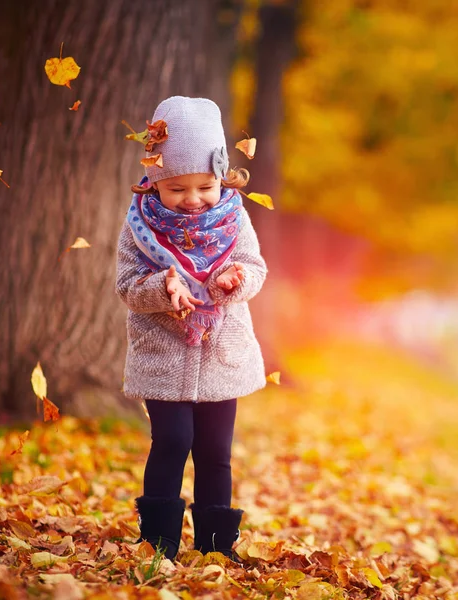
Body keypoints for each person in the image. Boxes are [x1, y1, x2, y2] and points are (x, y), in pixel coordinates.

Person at [115, 96, 267, 561]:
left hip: (222, 354)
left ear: (221, 178)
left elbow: (254, 268)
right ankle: (158, 542)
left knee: (215, 450)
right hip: (164, 354)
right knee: (174, 440)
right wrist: (162, 288)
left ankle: (216, 547)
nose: (194, 199)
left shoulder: (234, 219)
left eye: (205, 186)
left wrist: (231, 281)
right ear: (155, 181)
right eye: (177, 188)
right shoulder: (141, 226)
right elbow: (127, 284)